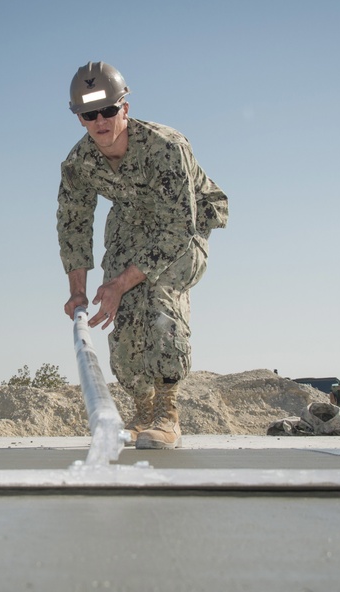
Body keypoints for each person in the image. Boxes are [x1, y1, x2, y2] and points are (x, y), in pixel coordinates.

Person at [56, 62, 228, 449]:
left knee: (158, 292)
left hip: (188, 221)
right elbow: (73, 225)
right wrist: (78, 291)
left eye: (108, 111)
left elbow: (177, 229)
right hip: (131, 218)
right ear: (79, 118)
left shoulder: (166, 146)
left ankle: (168, 412)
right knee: (118, 308)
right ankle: (141, 409)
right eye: (89, 114)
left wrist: (122, 282)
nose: (100, 121)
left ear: (125, 109)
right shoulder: (78, 164)